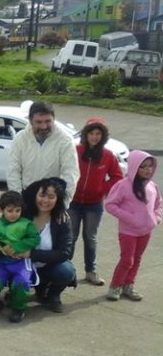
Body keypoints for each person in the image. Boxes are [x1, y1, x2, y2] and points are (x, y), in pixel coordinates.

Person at [69, 118, 123, 286]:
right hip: (73, 202)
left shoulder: (107, 155)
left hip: (94, 204)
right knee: (70, 236)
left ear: (103, 136)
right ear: (85, 134)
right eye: (91, 133)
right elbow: (63, 169)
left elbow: (117, 176)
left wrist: (102, 188)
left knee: (90, 237)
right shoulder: (75, 150)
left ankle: (90, 271)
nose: (94, 137)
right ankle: (65, 270)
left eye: (98, 134)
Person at [105, 150, 161, 302]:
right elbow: (110, 205)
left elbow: (158, 204)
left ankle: (128, 285)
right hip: (128, 232)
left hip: (146, 231)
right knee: (127, 260)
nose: (147, 170)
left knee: (137, 259)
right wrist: (130, 217)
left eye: (150, 166)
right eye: (143, 166)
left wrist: (156, 217)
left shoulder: (152, 186)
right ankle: (115, 285)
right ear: (134, 167)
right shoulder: (122, 186)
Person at [0, 191, 41, 323]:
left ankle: (18, 309)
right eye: (10, 210)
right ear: (1, 210)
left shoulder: (26, 224)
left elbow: (35, 239)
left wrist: (18, 247)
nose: (14, 214)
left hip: (22, 263)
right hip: (3, 262)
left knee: (21, 283)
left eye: (18, 210)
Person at [6, 101, 79, 202]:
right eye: (39, 122)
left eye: (48, 121)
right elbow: (13, 171)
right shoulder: (20, 139)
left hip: (52, 199)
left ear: (54, 119)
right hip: (27, 198)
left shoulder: (65, 140)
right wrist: (18, 200)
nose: (44, 126)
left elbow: (70, 174)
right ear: (31, 121)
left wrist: (63, 204)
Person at [23, 178, 77, 313]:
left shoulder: (62, 220)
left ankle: (54, 295)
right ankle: (33, 290)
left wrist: (32, 254)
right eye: (42, 195)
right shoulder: (23, 213)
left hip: (49, 268)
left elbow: (65, 253)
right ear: (35, 194)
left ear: (58, 199)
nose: (45, 201)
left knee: (66, 270)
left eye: (51, 197)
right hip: (24, 266)